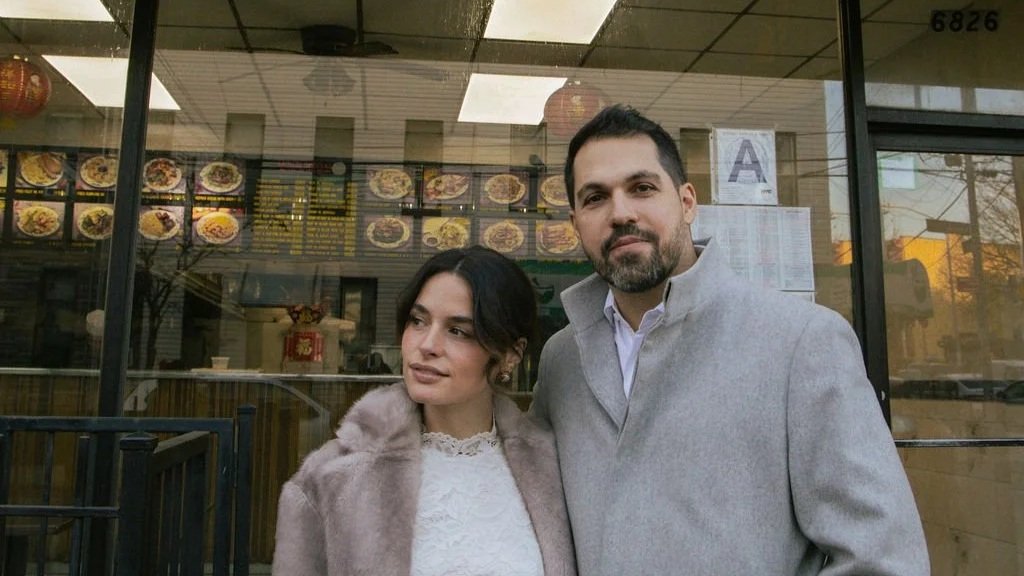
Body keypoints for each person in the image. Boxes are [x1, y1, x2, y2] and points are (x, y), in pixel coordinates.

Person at [530, 105, 929, 575]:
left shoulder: (800, 341)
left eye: (642, 188)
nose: (620, 213)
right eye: (595, 198)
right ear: (576, 222)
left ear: (687, 202)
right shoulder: (562, 358)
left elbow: (881, 558)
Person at [273, 246, 576, 576]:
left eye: (457, 330)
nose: (427, 345)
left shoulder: (556, 473)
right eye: (418, 321)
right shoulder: (333, 478)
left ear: (510, 355)